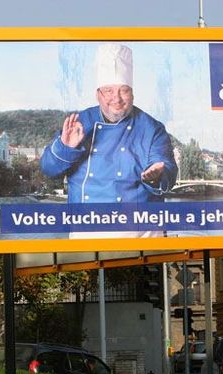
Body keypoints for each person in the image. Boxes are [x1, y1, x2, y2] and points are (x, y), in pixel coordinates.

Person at [40, 43, 178, 238]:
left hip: (142, 234)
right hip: (86, 231)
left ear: (133, 93)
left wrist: (157, 176)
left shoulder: (152, 128)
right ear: (98, 94)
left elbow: (167, 169)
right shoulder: (80, 122)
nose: (117, 98)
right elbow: (48, 168)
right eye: (109, 91)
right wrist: (65, 148)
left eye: (124, 90)